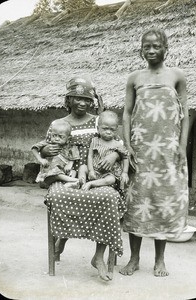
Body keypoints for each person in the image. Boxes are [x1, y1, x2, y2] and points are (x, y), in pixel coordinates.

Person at [41, 76, 126, 281]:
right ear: (68, 99)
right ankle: (62, 237)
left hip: (97, 174)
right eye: (76, 98)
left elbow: (118, 141)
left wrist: (114, 154)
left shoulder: (99, 120)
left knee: (109, 198)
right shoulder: (58, 123)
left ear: (92, 102)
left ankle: (98, 257)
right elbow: (44, 150)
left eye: (86, 99)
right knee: (58, 196)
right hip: (67, 175)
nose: (81, 102)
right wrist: (45, 149)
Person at [120, 28, 189, 277]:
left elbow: (185, 114)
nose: (151, 50)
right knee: (136, 203)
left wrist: (181, 147)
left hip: (167, 151)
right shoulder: (134, 78)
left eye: (156, 46)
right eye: (146, 46)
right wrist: (127, 146)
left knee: (163, 201)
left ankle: (160, 260)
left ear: (165, 48)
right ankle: (134, 258)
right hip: (140, 149)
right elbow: (127, 113)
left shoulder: (177, 76)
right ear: (140, 49)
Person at [79, 110, 129, 191]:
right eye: (105, 129)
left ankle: (91, 183)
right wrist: (91, 170)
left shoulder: (118, 144)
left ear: (116, 130)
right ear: (98, 129)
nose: (108, 132)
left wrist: (125, 173)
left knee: (111, 179)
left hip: (108, 173)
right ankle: (81, 183)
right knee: (82, 167)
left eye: (112, 130)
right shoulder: (94, 141)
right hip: (94, 171)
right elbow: (90, 156)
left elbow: (125, 157)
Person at [31, 119, 80, 188]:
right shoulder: (48, 143)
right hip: (50, 172)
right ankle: (75, 181)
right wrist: (41, 159)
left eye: (60, 136)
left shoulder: (70, 146)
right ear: (51, 134)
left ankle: (69, 184)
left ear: (68, 138)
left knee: (73, 172)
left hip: (64, 170)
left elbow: (75, 155)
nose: (56, 139)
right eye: (54, 135)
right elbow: (34, 148)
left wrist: (70, 164)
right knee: (55, 174)